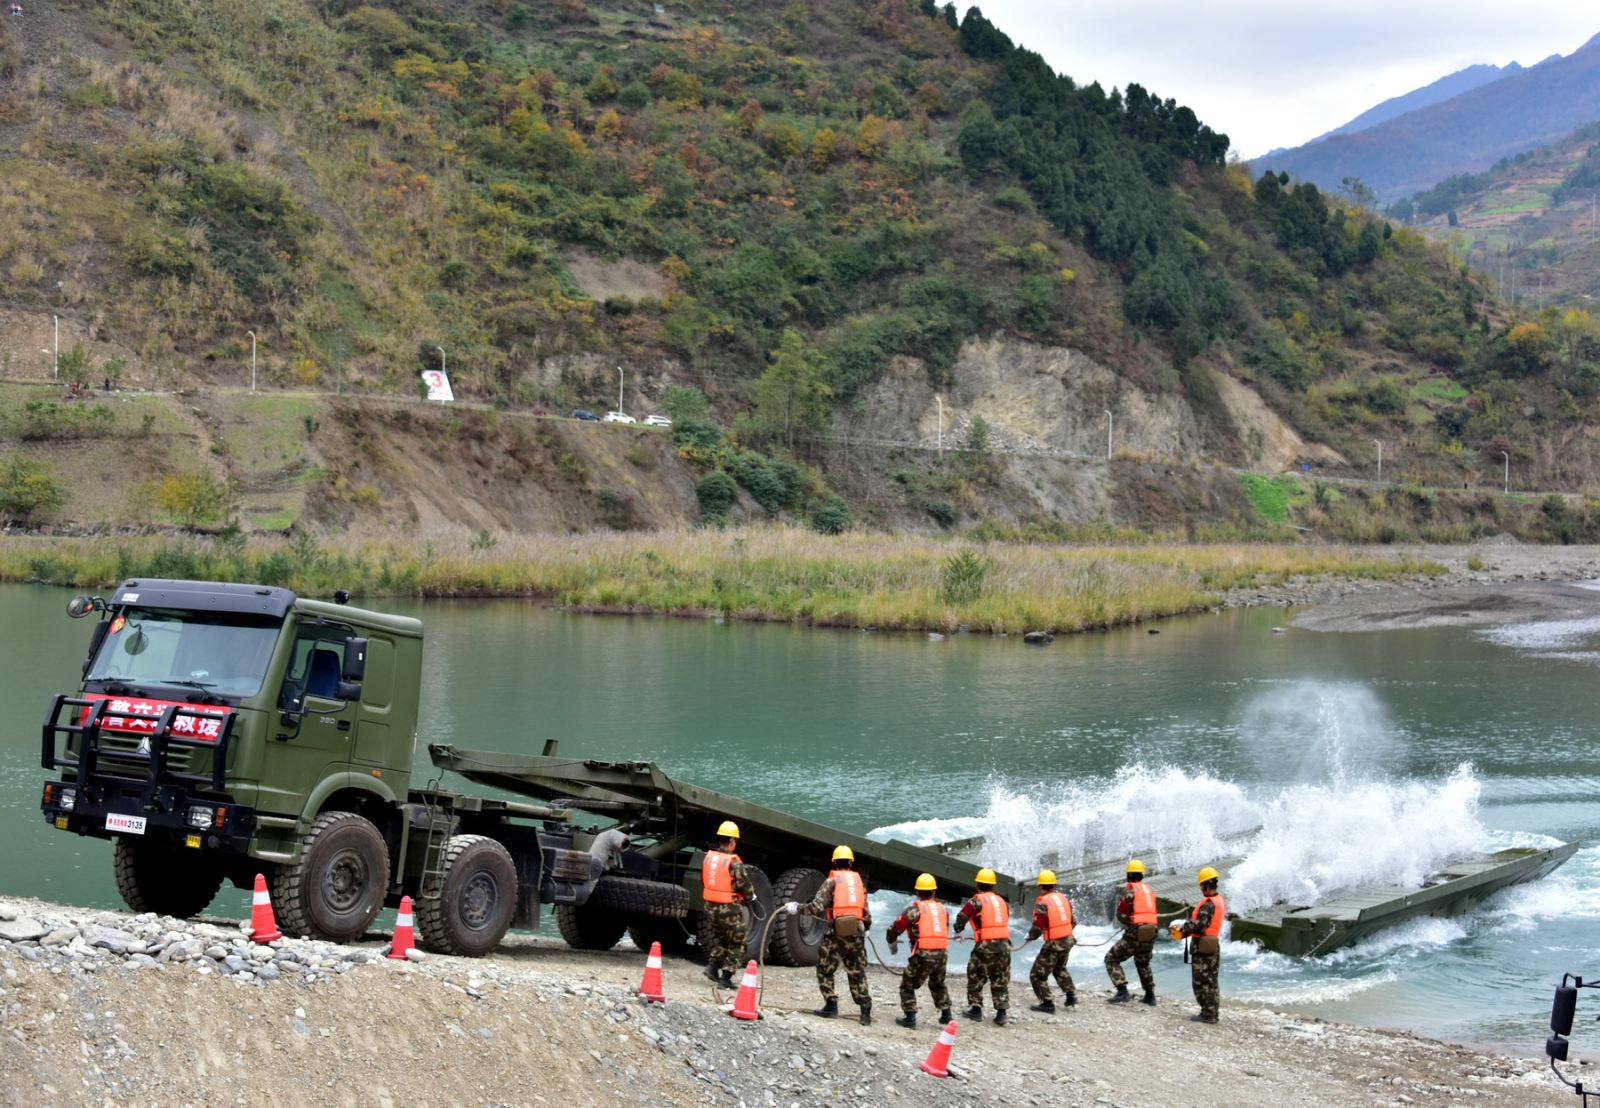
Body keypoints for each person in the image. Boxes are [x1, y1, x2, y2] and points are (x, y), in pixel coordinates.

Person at [787, 844, 872, 1025]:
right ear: (851, 863)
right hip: (857, 932)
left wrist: (797, 908)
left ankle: (831, 1005)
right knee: (857, 972)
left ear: (834, 862)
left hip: (837, 933)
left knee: (824, 968)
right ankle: (865, 1012)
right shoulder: (859, 883)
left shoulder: (831, 882)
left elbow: (816, 907)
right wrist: (866, 928)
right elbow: (866, 913)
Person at [885, 872, 954, 1030]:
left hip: (923, 954)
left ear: (917, 892)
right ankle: (946, 1014)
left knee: (907, 985)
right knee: (938, 983)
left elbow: (894, 929)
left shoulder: (913, 911)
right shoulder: (943, 910)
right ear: (934, 892)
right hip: (942, 953)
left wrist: (892, 943)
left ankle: (910, 1017)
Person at [700, 820, 754, 990]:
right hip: (728, 908)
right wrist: (751, 896)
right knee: (738, 944)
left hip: (710, 906)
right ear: (731, 841)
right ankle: (726, 979)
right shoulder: (734, 862)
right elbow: (744, 885)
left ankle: (712, 967)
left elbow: (705, 880)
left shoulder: (709, 858)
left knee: (722, 938)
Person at [953, 866, 1010, 1025]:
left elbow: (962, 916)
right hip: (1004, 945)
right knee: (1000, 978)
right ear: (993, 885)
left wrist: (958, 929)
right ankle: (1001, 1013)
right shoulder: (1002, 901)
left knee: (976, 976)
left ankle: (976, 1010)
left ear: (978, 884)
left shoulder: (976, 901)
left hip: (985, 946)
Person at [1105, 858, 1158, 1006]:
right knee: (1143, 961)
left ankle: (1122, 991)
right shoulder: (1149, 890)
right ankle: (1150, 995)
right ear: (1142, 875)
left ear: (1128, 876)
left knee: (1111, 958)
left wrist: (1128, 921)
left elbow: (1121, 915)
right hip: (1151, 930)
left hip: (1136, 931)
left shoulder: (1130, 891)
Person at [1179, 866, 1226, 1023]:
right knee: (1212, 981)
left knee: (1200, 982)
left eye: (1201, 885)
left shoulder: (1207, 905)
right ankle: (1213, 1013)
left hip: (1203, 947)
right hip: (1213, 945)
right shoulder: (1219, 900)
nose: (1200, 889)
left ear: (1206, 885)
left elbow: (1199, 926)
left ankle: (1208, 1014)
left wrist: (1183, 926)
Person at [1027, 868, 1076, 1012]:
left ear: (1040, 886)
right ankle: (1071, 995)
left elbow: (1038, 926)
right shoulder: (1063, 898)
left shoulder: (1043, 902)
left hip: (1054, 944)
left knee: (1037, 975)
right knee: (1059, 968)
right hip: (1068, 940)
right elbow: (1073, 921)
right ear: (1054, 885)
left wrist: (1030, 936)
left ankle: (1047, 1003)